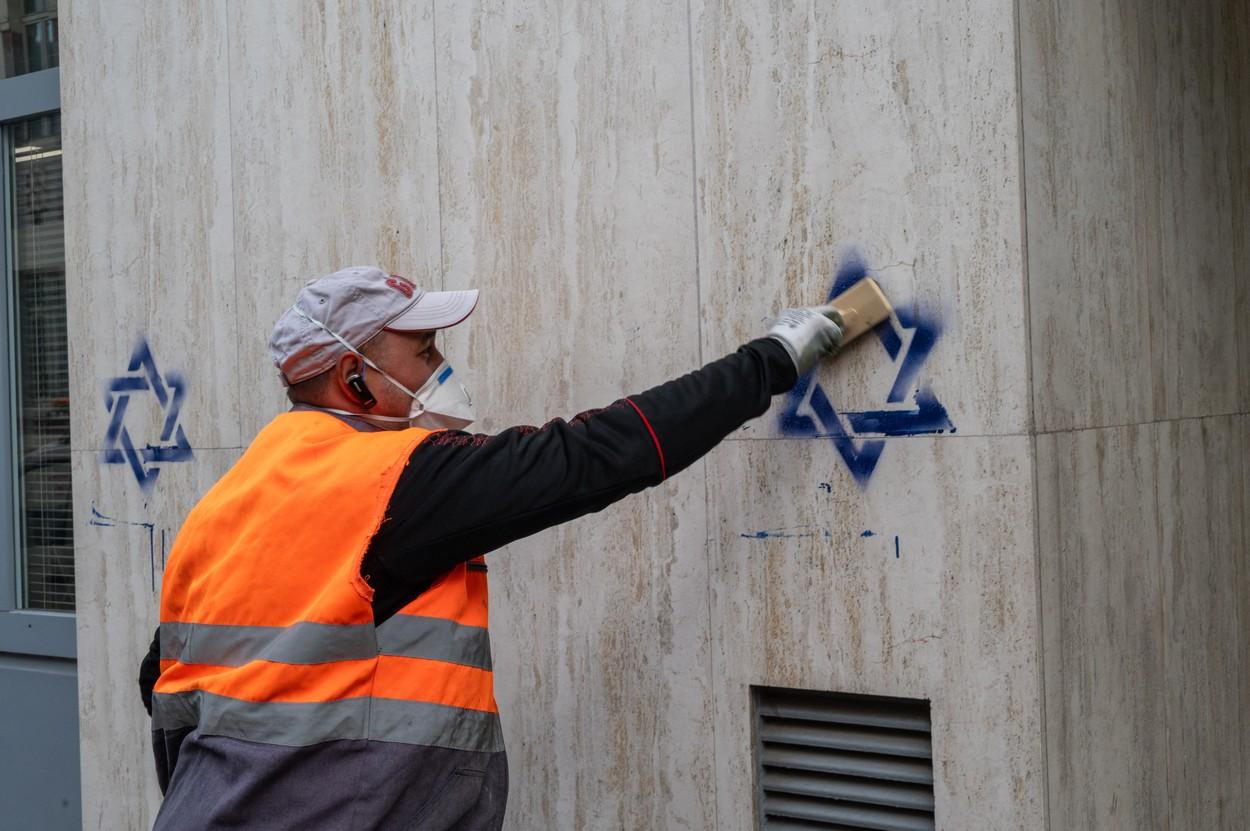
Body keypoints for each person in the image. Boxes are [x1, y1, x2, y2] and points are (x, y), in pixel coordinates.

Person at [138, 265, 843, 830]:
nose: (440, 365)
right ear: (354, 379)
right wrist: (771, 361)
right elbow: (597, 455)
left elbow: (163, 682)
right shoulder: (394, 479)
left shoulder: (223, 504)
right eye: (423, 351)